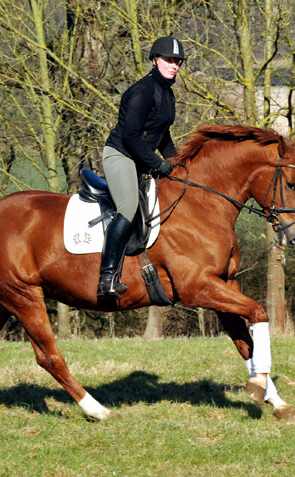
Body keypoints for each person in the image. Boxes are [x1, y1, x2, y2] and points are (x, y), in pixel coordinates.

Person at [97, 35, 184, 300]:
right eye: (169, 60)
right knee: (127, 207)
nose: (174, 66)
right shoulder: (142, 91)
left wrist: (178, 162)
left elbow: (163, 134)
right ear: (155, 60)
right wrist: (157, 163)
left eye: (178, 62)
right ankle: (107, 278)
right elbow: (131, 136)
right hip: (121, 155)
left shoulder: (167, 94)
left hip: (140, 158)